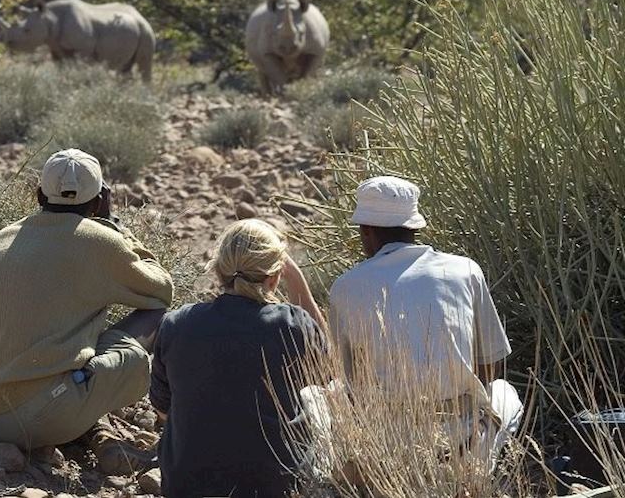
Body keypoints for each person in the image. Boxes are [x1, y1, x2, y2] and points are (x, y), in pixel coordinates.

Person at [0, 148, 173, 472]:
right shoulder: (98, 240)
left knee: (72, 346)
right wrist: (114, 226)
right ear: (100, 200)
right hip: (46, 418)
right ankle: (166, 424)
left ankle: (94, 430)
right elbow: (161, 290)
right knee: (158, 316)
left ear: (38, 194)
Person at [329, 175, 522, 465]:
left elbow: (346, 379)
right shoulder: (465, 271)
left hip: (391, 444)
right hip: (464, 441)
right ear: (414, 226)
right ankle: (476, 477)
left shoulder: (346, 286)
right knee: (504, 393)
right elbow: (490, 365)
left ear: (366, 230)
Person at [150, 219, 326, 498]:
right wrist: (295, 277)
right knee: (319, 400)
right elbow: (325, 369)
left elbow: (163, 409)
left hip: (188, 487)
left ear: (218, 269)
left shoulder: (177, 323)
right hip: (275, 488)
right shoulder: (293, 325)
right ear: (274, 276)